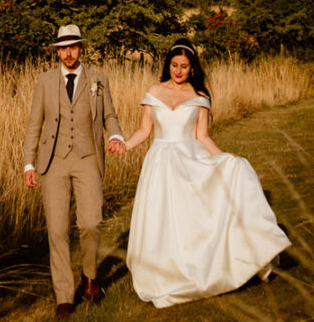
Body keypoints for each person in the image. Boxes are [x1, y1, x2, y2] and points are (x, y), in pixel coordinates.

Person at [119, 42, 290, 307]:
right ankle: (163, 270)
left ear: (192, 68)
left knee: (192, 216)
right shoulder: (153, 92)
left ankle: (202, 263)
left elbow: (202, 136)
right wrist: (125, 145)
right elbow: (144, 130)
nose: (178, 71)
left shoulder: (200, 96)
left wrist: (224, 158)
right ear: (168, 65)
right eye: (174, 65)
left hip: (190, 159)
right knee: (161, 217)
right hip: (160, 162)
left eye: (184, 67)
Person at [21, 23, 127, 317]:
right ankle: (64, 295)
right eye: (63, 48)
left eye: (73, 47)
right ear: (57, 51)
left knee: (91, 223)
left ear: (81, 48)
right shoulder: (44, 81)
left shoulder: (98, 80)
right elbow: (34, 124)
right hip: (53, 162)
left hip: (88, 159)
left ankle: (90, 276)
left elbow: (110, 116)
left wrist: (116, 134)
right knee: (57, 230)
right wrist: (29, 163)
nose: (68, 53)